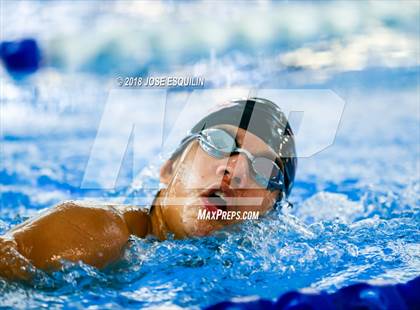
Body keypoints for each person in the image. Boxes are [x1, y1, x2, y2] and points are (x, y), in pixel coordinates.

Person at [0, 97, 297, 280]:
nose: (237, 171)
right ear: (169, 168)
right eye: (219, 143)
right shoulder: (100, 229)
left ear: (270, 213)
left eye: (264, 170)